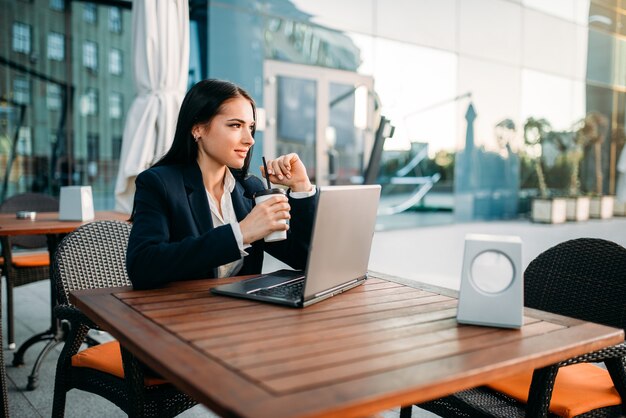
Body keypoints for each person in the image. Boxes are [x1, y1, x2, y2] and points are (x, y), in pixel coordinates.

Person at [127, 79, 316, 290]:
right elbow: (142, 267)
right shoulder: (158, 183)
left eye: (251, 127)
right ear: (198, 128)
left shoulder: (250, 189)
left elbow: (303, 260)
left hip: (242, 313)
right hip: (182, 314)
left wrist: (301, 187)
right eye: (235, 125)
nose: (249, 139)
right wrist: (241, 234)